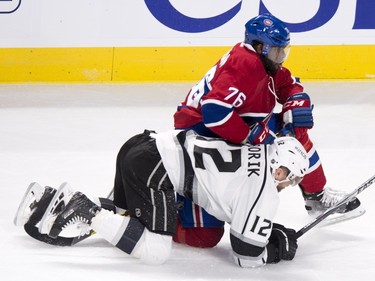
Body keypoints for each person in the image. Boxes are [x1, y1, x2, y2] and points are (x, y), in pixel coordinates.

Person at [172, 13, 362, 248]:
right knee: (204, 237)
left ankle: (316, 196)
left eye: (284, 51)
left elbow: (289, 84)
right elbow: (214, 112)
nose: (280, 58)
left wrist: (296, 102)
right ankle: (164, 205)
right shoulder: (245, 66)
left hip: (228, 126)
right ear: (258, 46)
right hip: (201, 137)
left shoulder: (261, 62)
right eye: (276, 52)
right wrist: (249, 135)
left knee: (296, 130)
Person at [15, 130, 309, 267]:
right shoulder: (265, 192)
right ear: (280, 169)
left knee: (126, 220)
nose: (289, 185)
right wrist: (273, 251)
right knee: (156, 253)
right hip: (156, 169)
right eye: (291, 177)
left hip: (142, 145)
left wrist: (266, 230)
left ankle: (54, 201)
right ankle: (86, 210)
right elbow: (246, 256)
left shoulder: (255, 147)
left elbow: (236, 201)